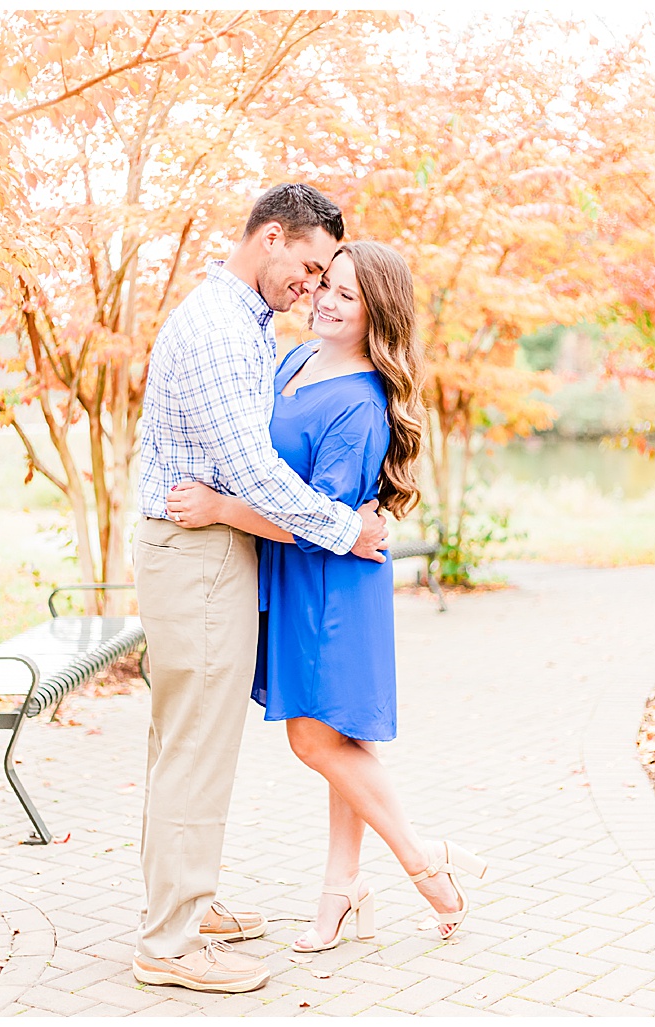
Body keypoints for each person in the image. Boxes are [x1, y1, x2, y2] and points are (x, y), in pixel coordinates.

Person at [166, 240, 486, 953]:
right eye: (324, 284)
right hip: (299, 575)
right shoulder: (296, 360)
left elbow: (316, 524)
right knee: (341, 736)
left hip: (331, 583)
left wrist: (220, 508)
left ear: (377, 313)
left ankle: (422, 860)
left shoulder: (362, 403)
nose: (324, 299)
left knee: (315, 735)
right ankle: (341, 891)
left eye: (345, 294)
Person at [131, 183, 391, 994]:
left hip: (206, 546)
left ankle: (184, 901)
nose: (311, 290)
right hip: (195, 552)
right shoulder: (216, 327)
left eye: (325, 280)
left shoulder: (245, 324)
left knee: (184, 739)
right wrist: (347, 529)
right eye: (309, 268)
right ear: (269, 237)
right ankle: (169, 942)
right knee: (197, 747)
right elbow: (250, 469)